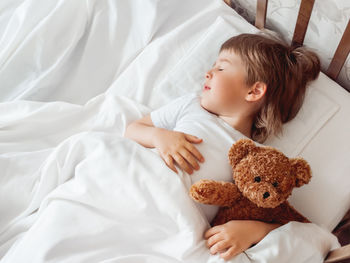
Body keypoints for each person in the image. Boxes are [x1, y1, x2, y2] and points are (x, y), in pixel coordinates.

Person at [124, 33, 320, 261]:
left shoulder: (255, 156)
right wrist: (160, 136)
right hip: (139, 181)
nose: (208, 73)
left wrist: (254, 230)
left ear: (254, 91)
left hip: (175, 218)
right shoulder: (190, 106)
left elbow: (280, 216)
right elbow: (132, 129)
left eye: (221, 68)